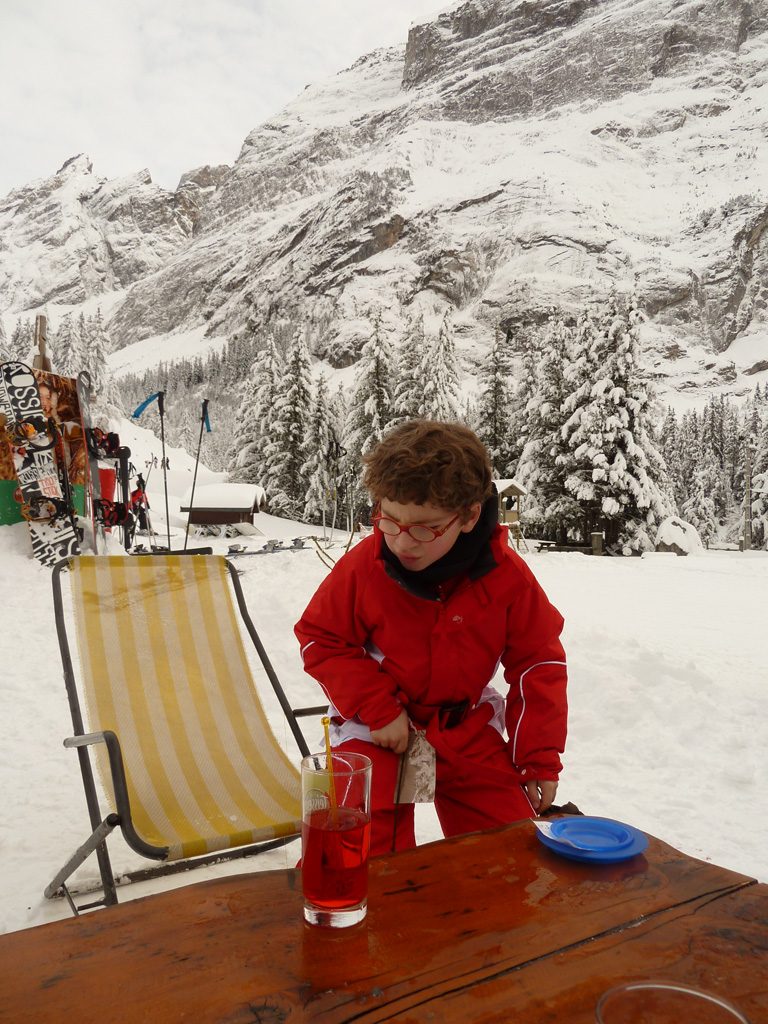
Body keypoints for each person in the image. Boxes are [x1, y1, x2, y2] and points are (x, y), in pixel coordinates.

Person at [295, 420, 568, 856]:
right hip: (379, 731)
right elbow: (321, 638)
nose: (403, 542)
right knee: (356, 856)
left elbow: (538, 663)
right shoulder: (366, 567)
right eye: (389, 520)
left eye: (425, 527)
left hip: (465, 730)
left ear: (469, 516)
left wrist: (537, 758)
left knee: (514, 855)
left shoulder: (506, 577)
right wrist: (377, 708)